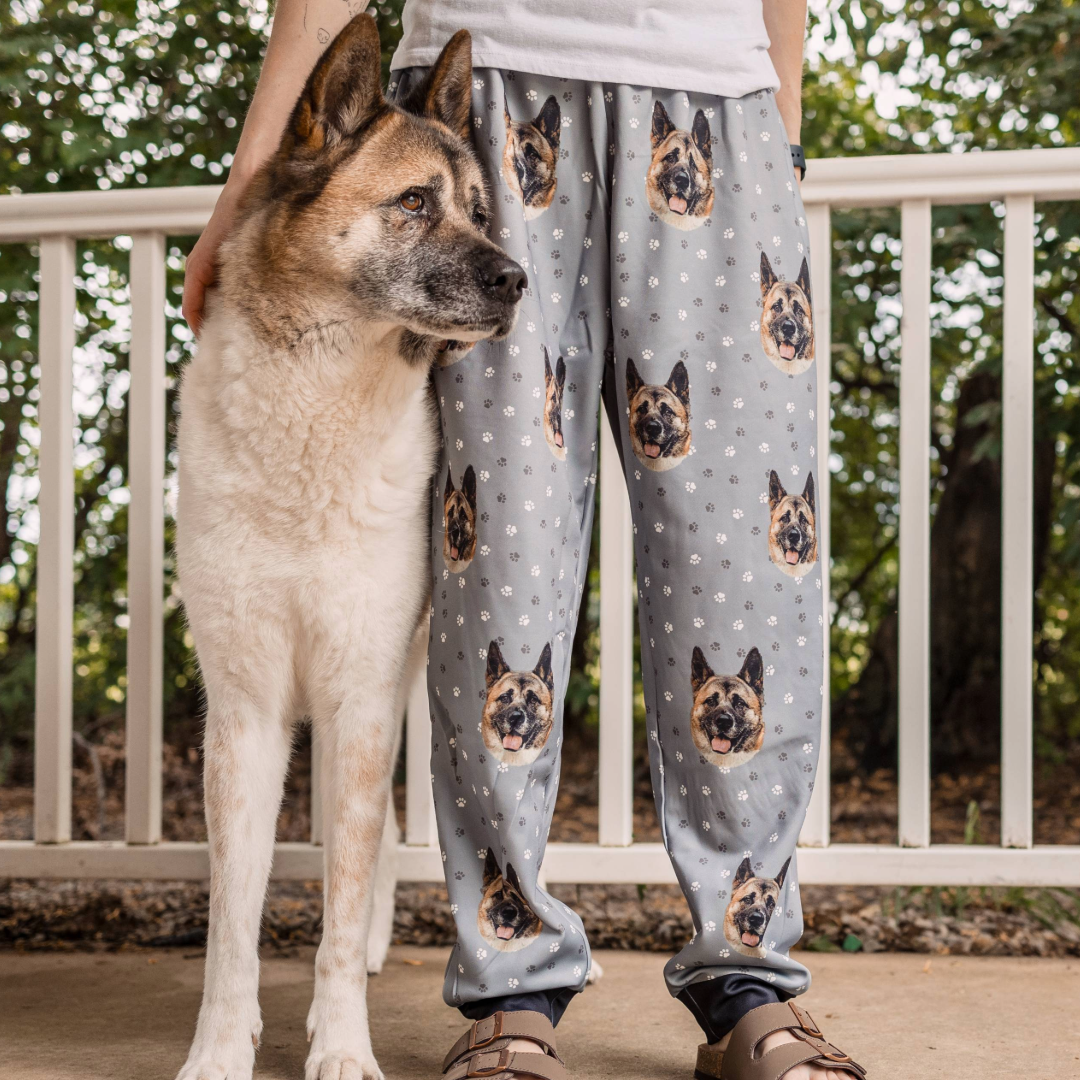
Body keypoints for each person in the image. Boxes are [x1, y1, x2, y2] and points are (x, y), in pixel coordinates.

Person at [183, 2, 865, 1078]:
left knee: (745, 568)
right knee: (496, 571)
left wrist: (779, 125)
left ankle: (750, 980)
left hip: (717, 100)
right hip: (486, 97)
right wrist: (254, 173)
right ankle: (510, 991)